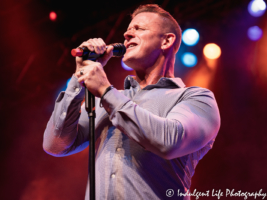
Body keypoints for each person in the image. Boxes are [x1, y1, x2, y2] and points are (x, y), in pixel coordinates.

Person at [43, 4, 220, 200]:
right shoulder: (109, 100)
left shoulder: (196, 98)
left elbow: (170, 142)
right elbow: (56, 145)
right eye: (127, 30)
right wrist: (79, 77)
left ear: (167, 41)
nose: (127, 35)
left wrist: (105, 91)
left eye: (139, 29)